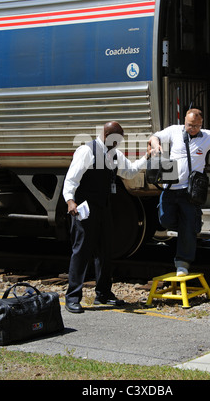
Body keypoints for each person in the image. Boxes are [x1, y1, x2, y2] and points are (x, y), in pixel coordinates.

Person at [63, 121, 147, 313]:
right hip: (85, 208)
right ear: (107, 135)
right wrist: (70, 201)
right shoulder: (87, 151)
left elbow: (129, 171)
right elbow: (71, 178)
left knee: (105, 251)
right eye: (116, 139)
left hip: (105, 208)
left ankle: (103, 294)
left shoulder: (114, 154)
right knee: (81, 251)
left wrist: (147, 157)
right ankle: (73, 297)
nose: (118, 144)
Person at [147, 107, 210, 276]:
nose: (193, 129)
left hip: (190, 191)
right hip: (170, 188)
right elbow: (155, 137)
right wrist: (156, 146)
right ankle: (190, 226)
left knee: (188, 226)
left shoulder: (207, 136)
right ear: (185, 121)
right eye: (190, 125)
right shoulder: (174, 131)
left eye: (196, 126)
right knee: (165, 220)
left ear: (201, 124)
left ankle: (182, 263)